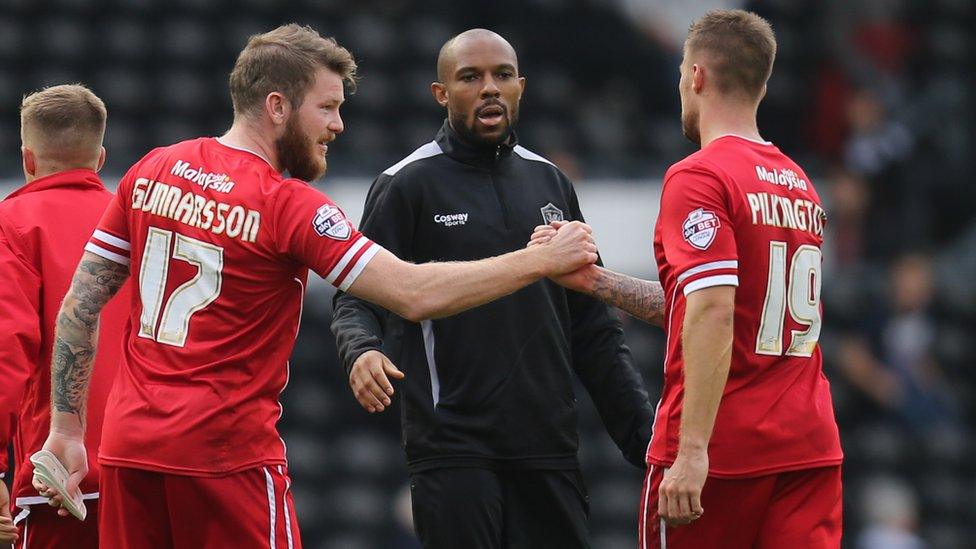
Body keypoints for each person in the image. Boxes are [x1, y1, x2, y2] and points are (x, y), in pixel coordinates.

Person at [35, 24, 597, 548]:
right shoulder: (287, 204)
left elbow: (81, 306)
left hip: (130, 453)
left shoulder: (152, 169)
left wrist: (66, 427)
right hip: (228, 461)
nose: (338, 125)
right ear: (277, 107)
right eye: (327, 107)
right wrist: (537, 260)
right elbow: (411, 292)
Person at [330, 29, 658, 549]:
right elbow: (357, 294)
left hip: (549, 448)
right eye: (471, 77)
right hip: (454, 451)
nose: (489, 88)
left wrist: (647, 446)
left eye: (502, 75)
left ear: (521, 87)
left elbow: (593, 330)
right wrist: (361, 349)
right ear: (442, 93)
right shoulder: (407, 184)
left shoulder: (551, 183)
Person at [531, 10, 843, 548]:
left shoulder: (700, 175)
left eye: (681, 71)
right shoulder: (799, 183)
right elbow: (716, 304)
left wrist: (694, 449)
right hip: (808, 448)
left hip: (722, 453)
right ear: (762, 86)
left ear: (696, 76)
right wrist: (597, 282)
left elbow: (714, 310)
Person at [0, 84, 129, 548]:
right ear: (100, 159)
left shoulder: (12, 225)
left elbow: (5, 351)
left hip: (55, 482)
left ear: (28, 160)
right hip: (150, 472)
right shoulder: (139, 225)